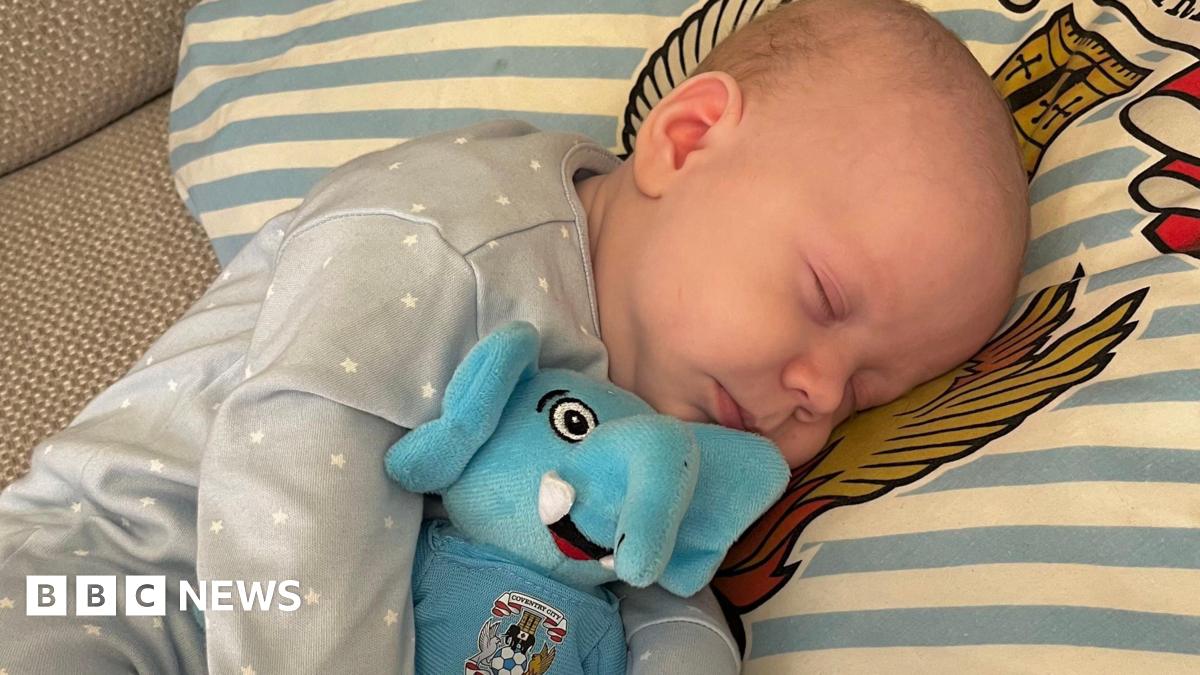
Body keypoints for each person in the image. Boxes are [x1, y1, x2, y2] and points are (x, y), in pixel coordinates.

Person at [0, 0, 1028, 672]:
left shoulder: (662, 421)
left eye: (861, 393)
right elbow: (301, 465)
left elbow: (657, 591)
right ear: (688, 141)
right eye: (822, 296)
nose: (816, 390)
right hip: (119, 570)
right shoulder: (453, 229)